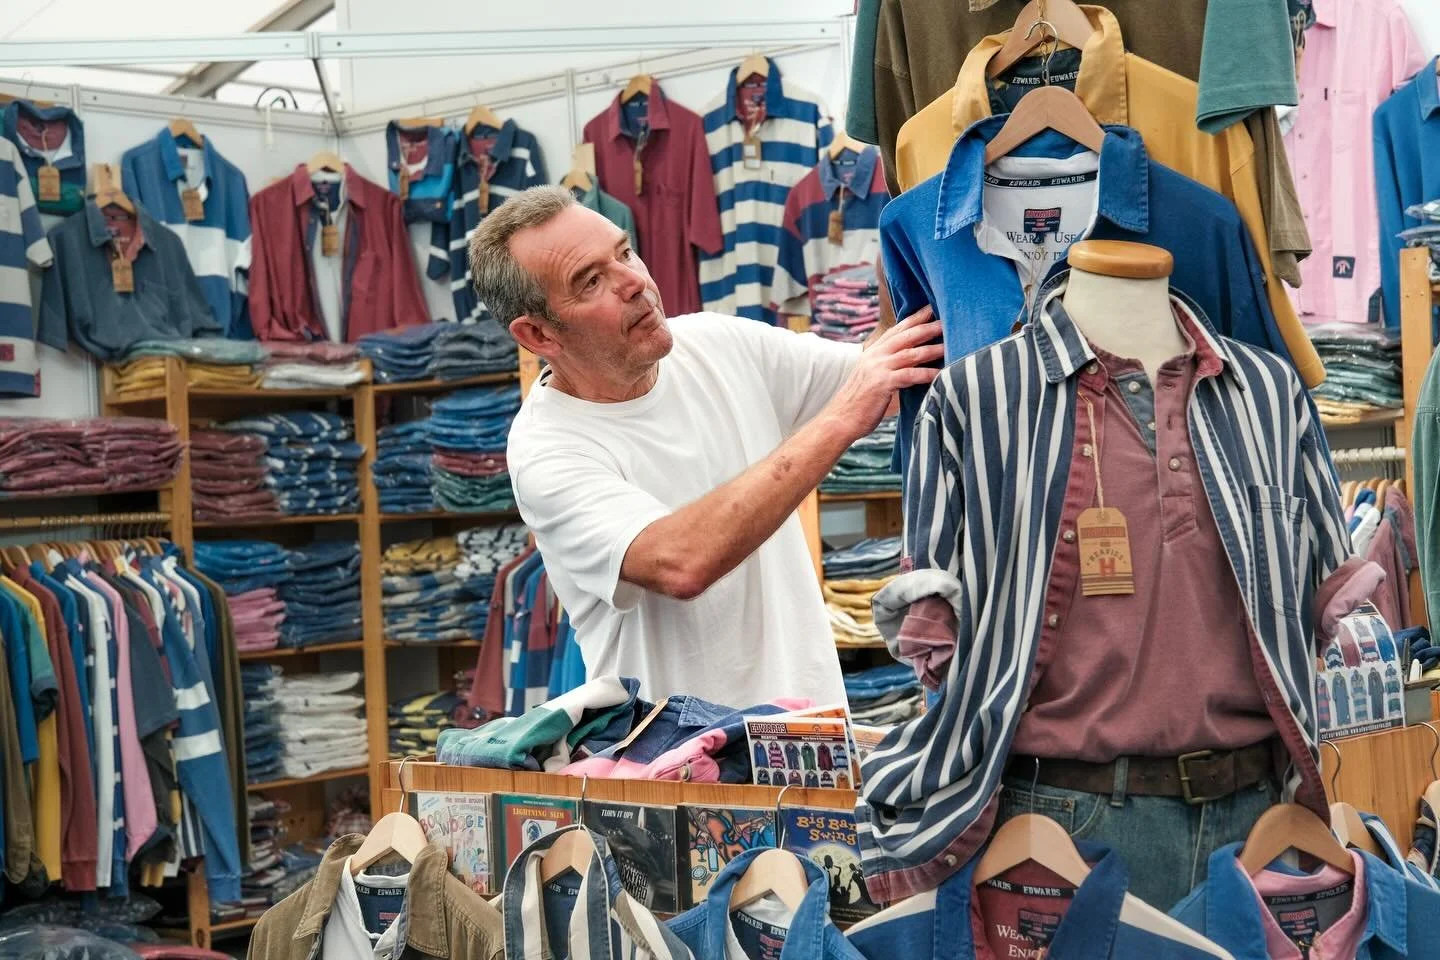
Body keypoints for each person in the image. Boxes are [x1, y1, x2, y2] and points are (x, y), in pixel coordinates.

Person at [469, 185, 940, 705]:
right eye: (591, 281)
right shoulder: (547, 449)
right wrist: (840, 419)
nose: (633, 282)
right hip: (681, 753)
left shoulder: (716, 342)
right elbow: (680, 562)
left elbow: (880, 378)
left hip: (814, 738)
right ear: (538, 335)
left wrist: (901, 256)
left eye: (625, 253)